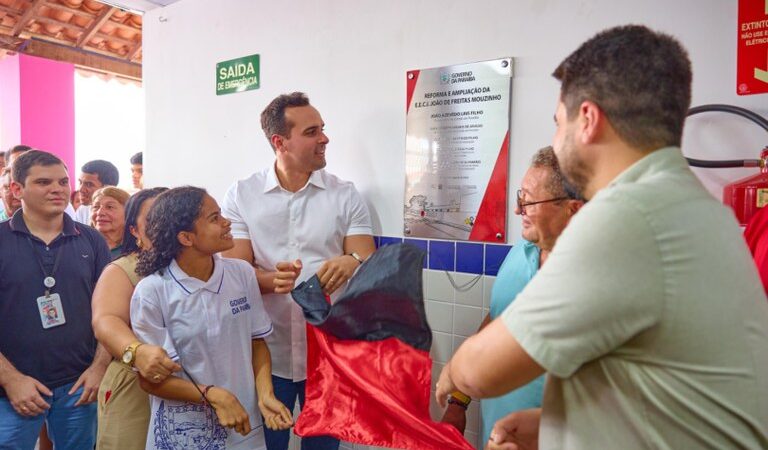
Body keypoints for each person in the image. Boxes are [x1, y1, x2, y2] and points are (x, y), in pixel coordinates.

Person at [436, 25, 768, 450]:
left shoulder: (629, 216)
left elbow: (485, 370)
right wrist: (557, 427)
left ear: (588, 120)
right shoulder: (699, 212)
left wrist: (454, 373)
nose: (556, 140)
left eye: (559, 123)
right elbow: (669, 390)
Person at [221, 92, 376, 450]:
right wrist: (268, 280)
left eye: (322, 129)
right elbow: (237, 269)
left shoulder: (345, 195)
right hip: (265, 356)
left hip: (327, 357)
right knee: (265, 445)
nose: (324, 138)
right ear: (280, 142)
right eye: (311, 131)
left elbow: (366, 258)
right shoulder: (242, 195)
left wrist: (351, 261)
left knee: (323, 448)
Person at [130, 186, 293, 449]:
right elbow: (151, 380)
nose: (227, 222)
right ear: (186, 237)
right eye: (215, 218)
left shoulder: (241, 274)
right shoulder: (152, 291)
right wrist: (213, 396)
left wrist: (264, 395)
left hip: (243, 424)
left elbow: (256, 343)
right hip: (184, 432)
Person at [440, 147, 582, 442]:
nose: (518, 210)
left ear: (572, 208)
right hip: (497, 436)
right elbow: (496, 317)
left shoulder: (592, 277)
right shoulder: (521, 251)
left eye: (530, 201)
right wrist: (459, 401)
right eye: (521, 197)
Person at [0, 150, 112, 449]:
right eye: (43, 182)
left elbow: (111, 313)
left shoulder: (91, 240)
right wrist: (10, 380)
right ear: (16, 189)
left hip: (78, 386)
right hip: (12, 391)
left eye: (63, 181)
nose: (58, 189)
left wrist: (100, 367)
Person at [92, 187, 181, 450]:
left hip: (190, 384)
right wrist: (137, 352)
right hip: (134, 387)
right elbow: (106, 321)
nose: (167, 225)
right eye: (154, 218)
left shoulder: (201, 268)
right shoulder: (123, 269)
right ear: (134, 230)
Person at [74, 160, 119, 225]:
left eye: (89, 184)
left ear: (107, 188)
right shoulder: (82, 210)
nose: (80, 189)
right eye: (80, 182)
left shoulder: (122, 213)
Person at [90, 186, 130, 260]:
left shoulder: (137, 251)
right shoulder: (82, 246)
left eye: (109, 207)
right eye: (96, 207)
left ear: (128, 213)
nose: (100, 212)